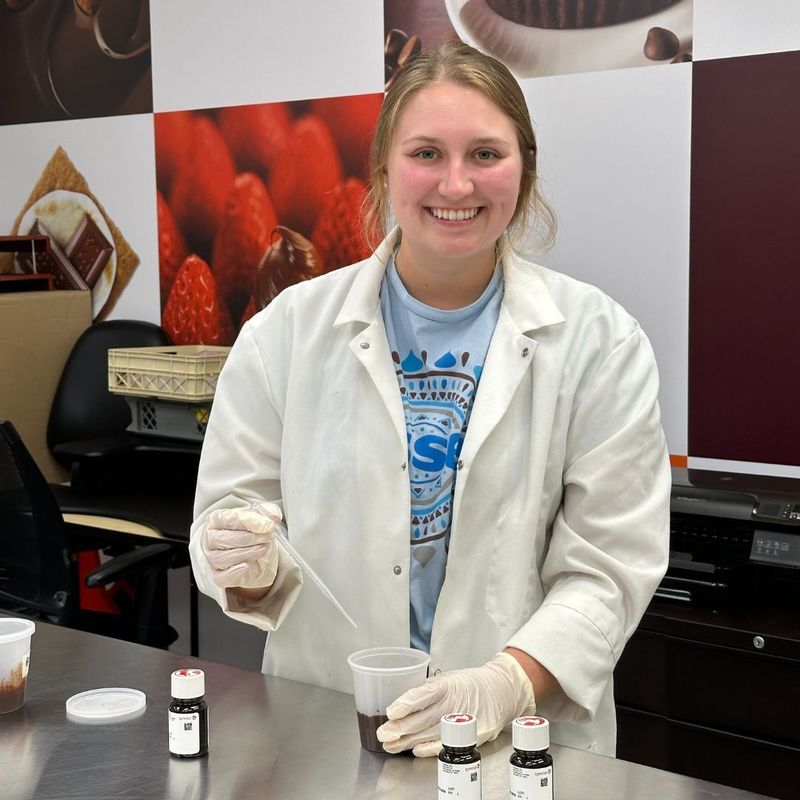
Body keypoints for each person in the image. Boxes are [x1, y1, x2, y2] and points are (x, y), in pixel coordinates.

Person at [189, 40, 671, 757]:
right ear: (385, 169)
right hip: (324, 735)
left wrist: (505, 682)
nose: (455, 185)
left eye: (484, 154)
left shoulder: (602, 343)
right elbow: (227, 519)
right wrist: (246, 562)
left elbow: (609, 568)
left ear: (525, 170)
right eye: (426, 154)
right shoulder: (282, 335)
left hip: (521, 743)